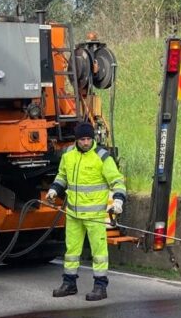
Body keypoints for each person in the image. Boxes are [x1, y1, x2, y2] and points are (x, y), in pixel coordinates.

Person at [47, 122, 127, 301]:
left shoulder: (102, 157)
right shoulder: (68, 154)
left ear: (93, 139)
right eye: (82, 139)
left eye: (89, 139)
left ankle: (100, 287)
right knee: (71, 252)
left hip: (95, 216)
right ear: (77, 140)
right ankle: (69, 284)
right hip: (73, 214)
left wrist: (118, 201)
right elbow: (62, 176)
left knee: (99, 253)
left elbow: (117, 181)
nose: (85, 142)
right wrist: (54, 190)